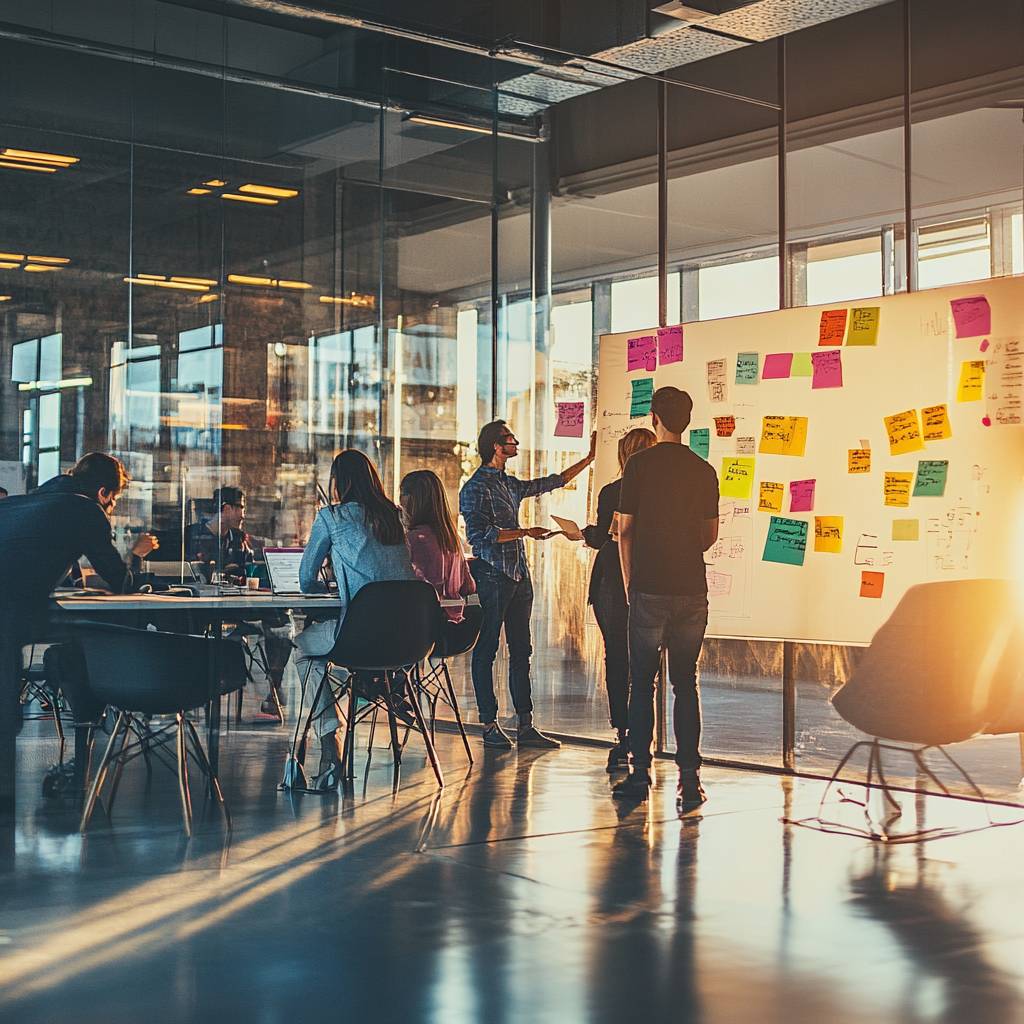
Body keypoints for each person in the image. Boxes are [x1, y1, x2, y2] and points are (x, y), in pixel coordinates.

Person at [612, 387, 719, 813]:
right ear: (687, 420)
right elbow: (709, 535)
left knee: (642, 683)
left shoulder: (639, 466)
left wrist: (628, 582)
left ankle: (640, 775)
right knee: (685, 683)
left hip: (649, 586)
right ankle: (689, 781)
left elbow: (625, 530)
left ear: (655, 417)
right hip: (691, 588)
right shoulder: (703, 470)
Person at [459, 421, 595, 749]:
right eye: (510, 439)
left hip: (518, 576)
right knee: (487, 648)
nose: (516, 443)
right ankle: (489, 724)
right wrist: (524, 532)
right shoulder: (475, 487)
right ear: (496, 445)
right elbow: (478, 537)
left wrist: (590, 458)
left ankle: (525, 725)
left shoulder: (507, 483)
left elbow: (553, 483)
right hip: (493, 575)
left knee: (522, 650)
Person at [0, 453, 158, 721]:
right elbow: (118, 578)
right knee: (93, 637)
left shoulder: (21, 503)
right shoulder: (85, 509)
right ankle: (91, 716)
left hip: (10, 615)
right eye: (114, 500)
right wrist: (137, 555)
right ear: (103, 492)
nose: (112, 507)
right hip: (11, 617)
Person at [294, 449, 416, 791]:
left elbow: (305, 580)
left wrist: (329, 584)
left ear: (338, 483)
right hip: (407, 638)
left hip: (359, 635)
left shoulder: (331, 517)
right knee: (329, 651)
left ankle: (329, 743)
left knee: (303, 651)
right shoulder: (394, 515)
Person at [581, 427, 656, 772]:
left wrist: (581, 534)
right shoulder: (660, 493)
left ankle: (623, 733)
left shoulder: (613, 491)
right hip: (649, 578)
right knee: (644, 660)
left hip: (610, 581)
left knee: (616, 657)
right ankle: (642, 737)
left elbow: (600, 538)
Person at [185, 486, 291, 717]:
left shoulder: (240, 539)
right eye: (241, 508)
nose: (243, 514)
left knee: (281, 620)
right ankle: (195, 687)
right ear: (226, 508)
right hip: (204, 610)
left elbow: (248, 574)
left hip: (237, 607)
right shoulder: (192, 536)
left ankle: (274, 686)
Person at [400, 469, 477, 646]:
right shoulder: (453, 540)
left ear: (412, 500)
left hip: (421, 628)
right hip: (453, 628)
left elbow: (407, 586)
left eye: (402, 495)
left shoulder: (413, 539)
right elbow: (469, 586)